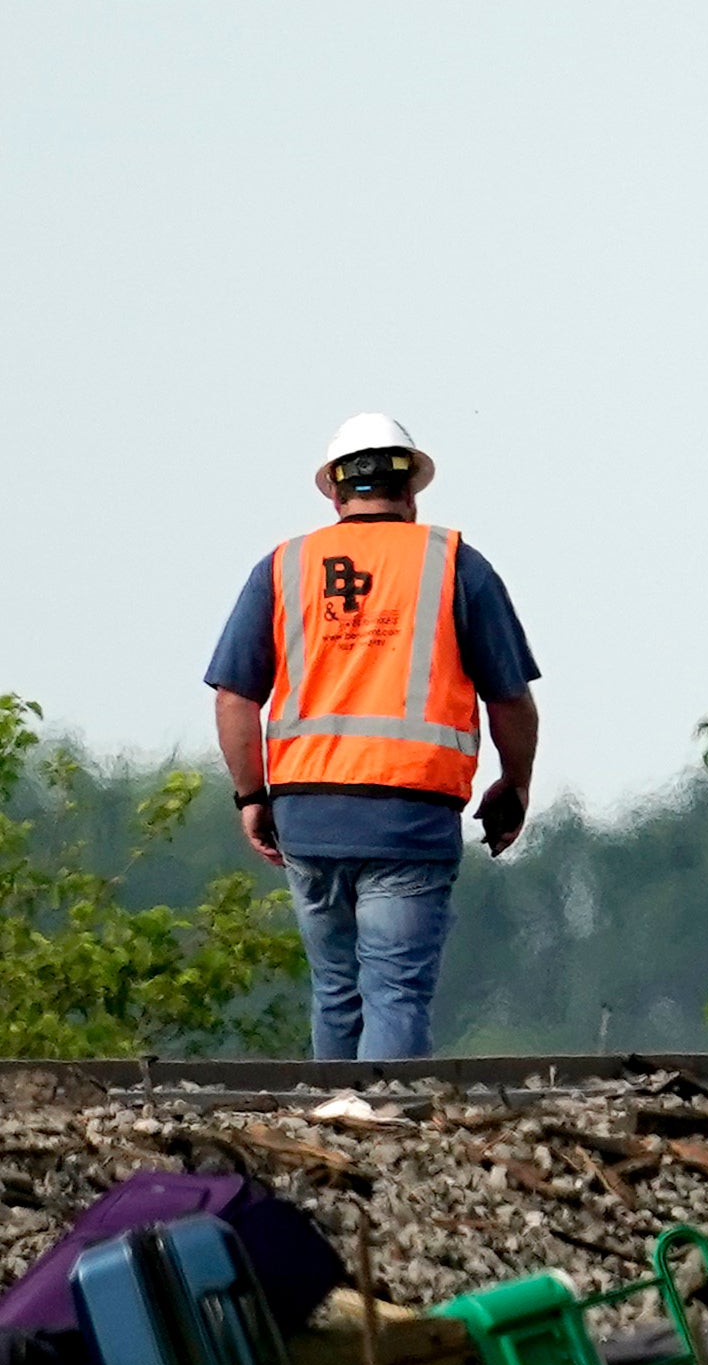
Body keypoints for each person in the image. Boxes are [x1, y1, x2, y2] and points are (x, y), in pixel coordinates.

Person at [203, 412, 543, 1062]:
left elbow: (234, 698)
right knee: (396, 992)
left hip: (308, 816)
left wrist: (252, 795)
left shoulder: (283, 567)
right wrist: (515, 783)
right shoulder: (456, 566)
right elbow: (511, 700)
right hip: (408, 818)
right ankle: (385, 1126)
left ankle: (336, 1133)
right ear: (411, 490)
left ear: (335, 492)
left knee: (337, 990)